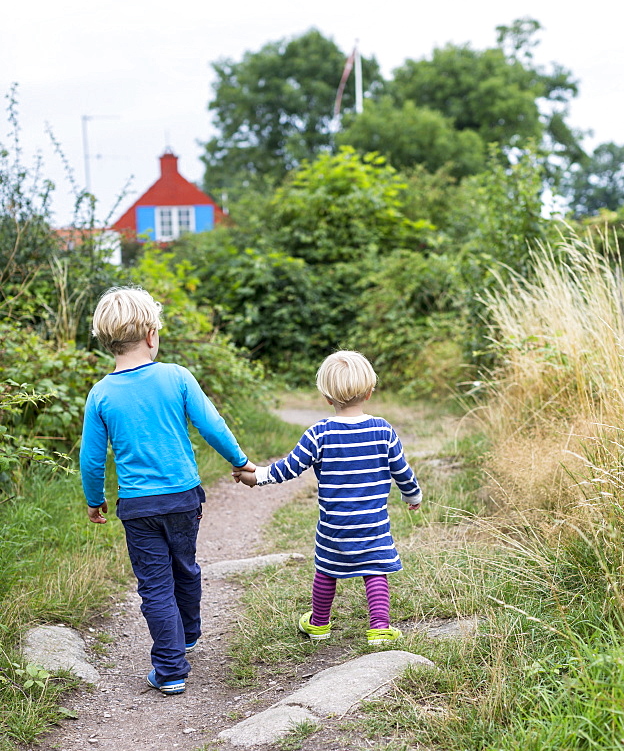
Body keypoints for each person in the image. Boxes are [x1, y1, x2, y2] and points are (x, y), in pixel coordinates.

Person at [80, 286, 255, 695]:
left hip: (139, 507)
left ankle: (171, 667)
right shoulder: (176, 376)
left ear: (108, 342)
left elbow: (91, 459)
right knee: (186, 566)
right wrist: (241, 462)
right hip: (183, 498)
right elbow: (212, 426)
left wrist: (94, 499)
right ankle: (188, 633)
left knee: (155, 585)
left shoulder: (101, 393)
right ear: (152, 335)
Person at [233, 350, 421, 645]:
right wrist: (413, 494)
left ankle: (319, 624)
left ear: (326, 396)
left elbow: (288, 468)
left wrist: (255, 477)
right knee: (375, 570)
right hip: (372, 524)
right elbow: (402, 471)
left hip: (334, 525)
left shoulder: (318, 434)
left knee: (326, 570)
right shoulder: (383, 431)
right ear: (370, 391)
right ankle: (380, 628)